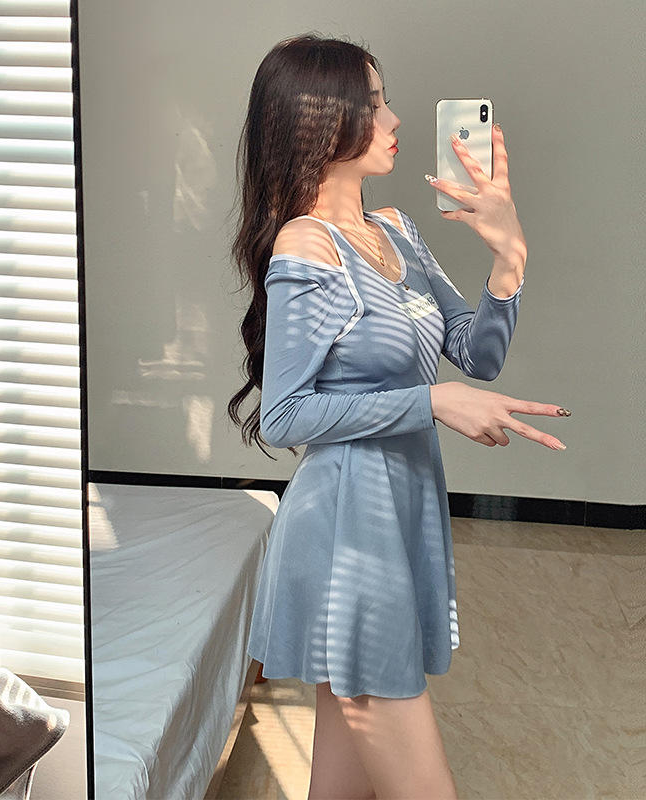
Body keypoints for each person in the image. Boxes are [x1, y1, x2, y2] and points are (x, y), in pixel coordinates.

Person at [229, 34, 570, 800]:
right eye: (375, 104)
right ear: (322, 120)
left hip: (395, 521)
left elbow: (476, 353)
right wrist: (432, 402)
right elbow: (285, 415)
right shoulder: (305, 248)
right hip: (347, 538)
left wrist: (508, 258)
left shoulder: (397, 231)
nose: (394, 119)